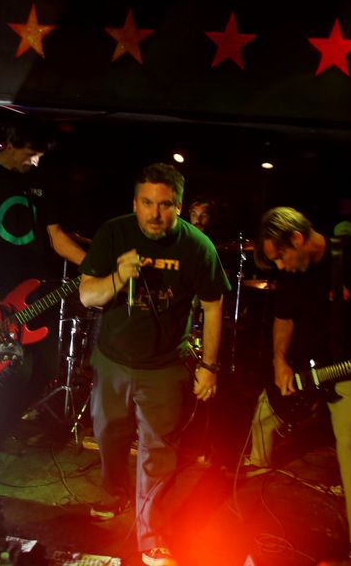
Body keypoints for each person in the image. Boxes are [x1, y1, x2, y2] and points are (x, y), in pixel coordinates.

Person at [79, 163, 231, 566]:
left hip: (165, 365)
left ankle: (152, 535)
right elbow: (87, 296)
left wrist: (209, 366)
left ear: (178, 206)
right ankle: (115, 494)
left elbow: (214, 305)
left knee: (158, 451)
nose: (154, 214)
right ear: (135, 203)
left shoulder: (198, 246)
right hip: (113, 359)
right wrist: (118, 277)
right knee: (108, 434)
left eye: (164, 205)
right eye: (146, 203)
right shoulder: (114, 232)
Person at [249, 206, 351, 566]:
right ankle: (253, 494)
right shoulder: (290, 272)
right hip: (305, 367)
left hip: (348, 366)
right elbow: (283, 319)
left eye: (281, 257)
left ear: (297, 239)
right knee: (263, 415)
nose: (280, 266)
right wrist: (280, 363)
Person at [0, 119, 86, 452]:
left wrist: (93, 265)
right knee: (16, 367)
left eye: (39, 156)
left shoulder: (41, 179)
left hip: (35, 286)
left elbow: (56, 236)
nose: (35, 162)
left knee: (45, 368)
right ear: (10, 145)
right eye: (30, 154)